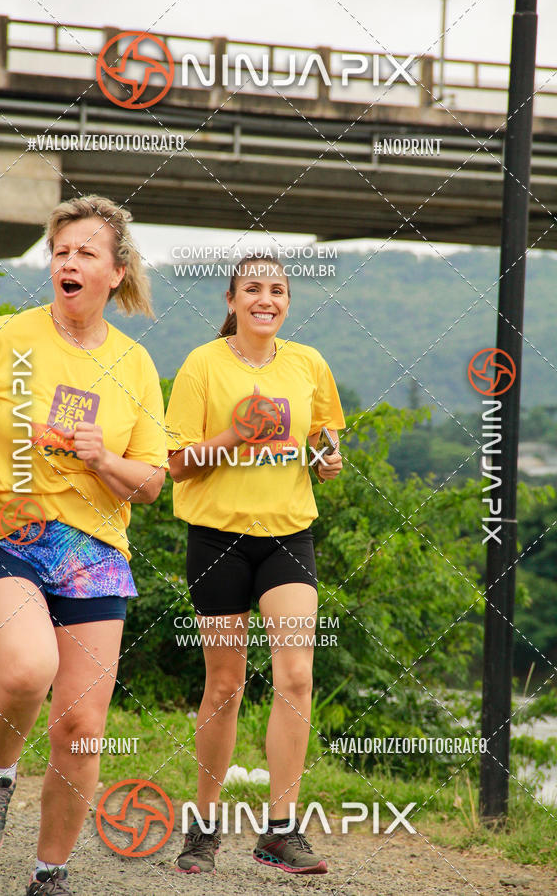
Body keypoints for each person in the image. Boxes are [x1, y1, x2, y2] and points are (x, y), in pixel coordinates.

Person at [0, 195, 168, 895]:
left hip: (95, 550)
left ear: (116, 271)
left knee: (80, 727)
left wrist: (105, 460)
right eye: (62, 251)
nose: (68, 262)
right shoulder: (3, 338)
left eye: (85, 252)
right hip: (7, 528)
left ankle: (50, 876)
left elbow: (151, 482)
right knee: (26, 668)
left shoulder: (135, 365)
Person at [165, 253, 344, 875]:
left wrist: (326, 458)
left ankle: (279, 830)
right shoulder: (203, 364)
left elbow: (325, 436)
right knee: (225, 683)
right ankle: (205, 827)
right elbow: (177, 462)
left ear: (287, 301)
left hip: (289, 537)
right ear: (232, 299)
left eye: (278, 290)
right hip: (218, 539)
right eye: (253, 289)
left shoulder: (308, 363)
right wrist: (233, 437)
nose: (266, 298)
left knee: (296, 676)